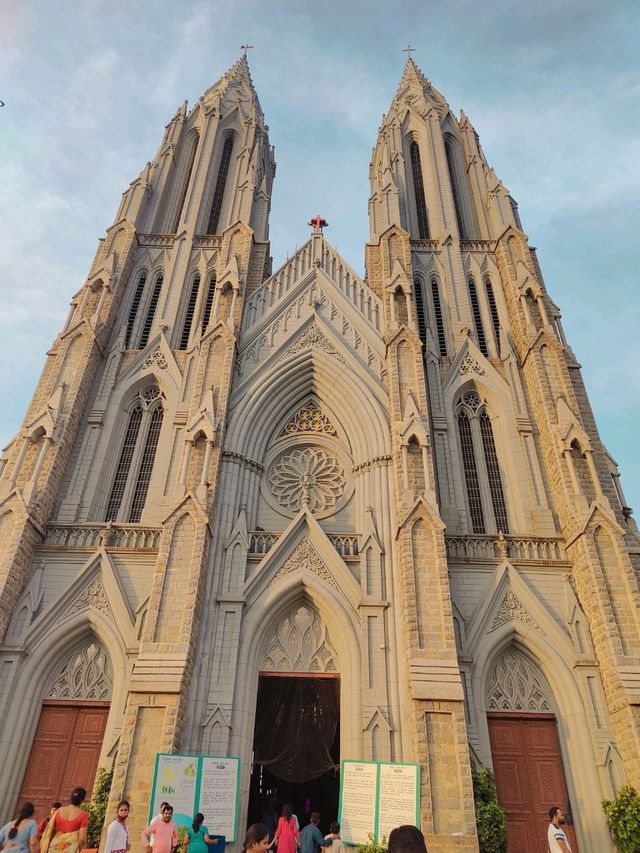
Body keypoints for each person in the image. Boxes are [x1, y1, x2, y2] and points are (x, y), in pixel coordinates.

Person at [40, 788, 88, 853]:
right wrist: (78, 849)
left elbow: (51, 831)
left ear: (71, 798)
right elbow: (82, 839)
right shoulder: (83, 815)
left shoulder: (59, 811)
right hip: (70, 848)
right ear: (83, 799)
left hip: (54, 847)